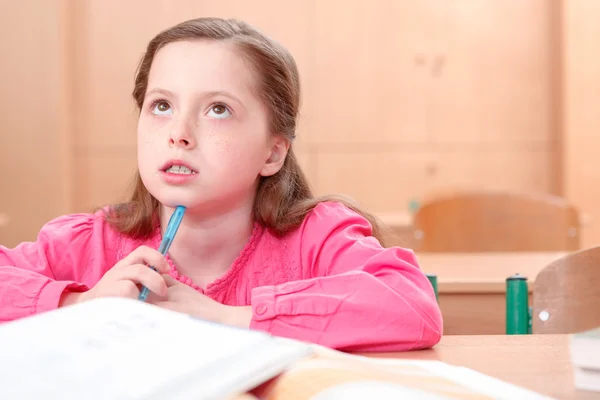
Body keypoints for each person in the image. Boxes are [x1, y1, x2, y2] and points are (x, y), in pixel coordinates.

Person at [0, 17, 442, 352]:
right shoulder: (90, 243)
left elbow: (412, 305)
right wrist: (78, 306)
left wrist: (227, 317)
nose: (179, 132)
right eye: (161, 105)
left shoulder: (317, 237)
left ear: (272, 152)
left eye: (218, 110)